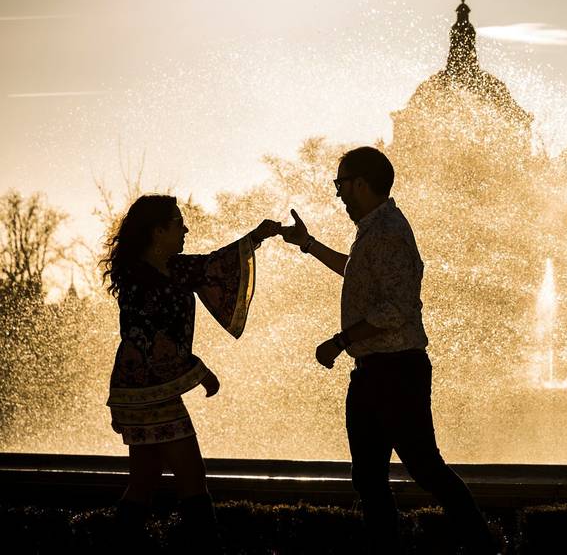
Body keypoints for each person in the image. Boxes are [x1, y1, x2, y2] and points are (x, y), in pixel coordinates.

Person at [281, 146, 497, 554]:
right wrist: (308, 244)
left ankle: (482, 545)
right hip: (374, 371)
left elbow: (395, 310)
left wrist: (341, 341)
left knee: (424, 468)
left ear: (361, 183)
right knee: (368, 477)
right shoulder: (374, 229)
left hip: (396, 371)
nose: (338, 193)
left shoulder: (389, 231)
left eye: (340, 184)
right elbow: (356, 271)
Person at [101, 194, 280, 552]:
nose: (186, 228)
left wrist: (258, 235)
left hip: (146, 392)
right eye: (178, 223)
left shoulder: (174, 268)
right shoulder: (140, 280)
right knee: (192, 479)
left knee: (145, 481)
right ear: (157, 231)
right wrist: (199, 371)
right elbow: (151, 340)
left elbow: (217, 264)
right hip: (146, 392)